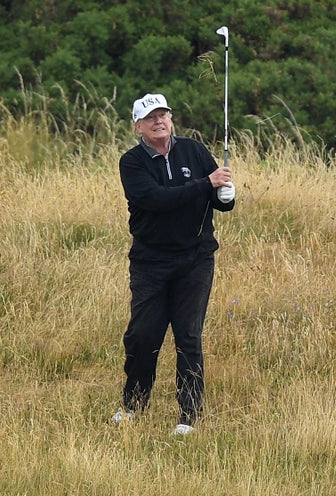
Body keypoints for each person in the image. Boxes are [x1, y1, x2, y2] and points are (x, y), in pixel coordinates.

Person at [112, 92, 235, 435]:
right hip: (151, 261)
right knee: (143, 335)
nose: (159, 121)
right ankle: (134, 405)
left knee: (189, 337)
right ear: (138, 127)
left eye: (163, 114)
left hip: (195, 259)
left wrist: (226, 196)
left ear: (171, 119)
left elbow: (217, 195)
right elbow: (154, 200)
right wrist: (206, 184)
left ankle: (189, 417)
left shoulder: (193, 151)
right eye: (150, 117)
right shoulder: (132, 162)